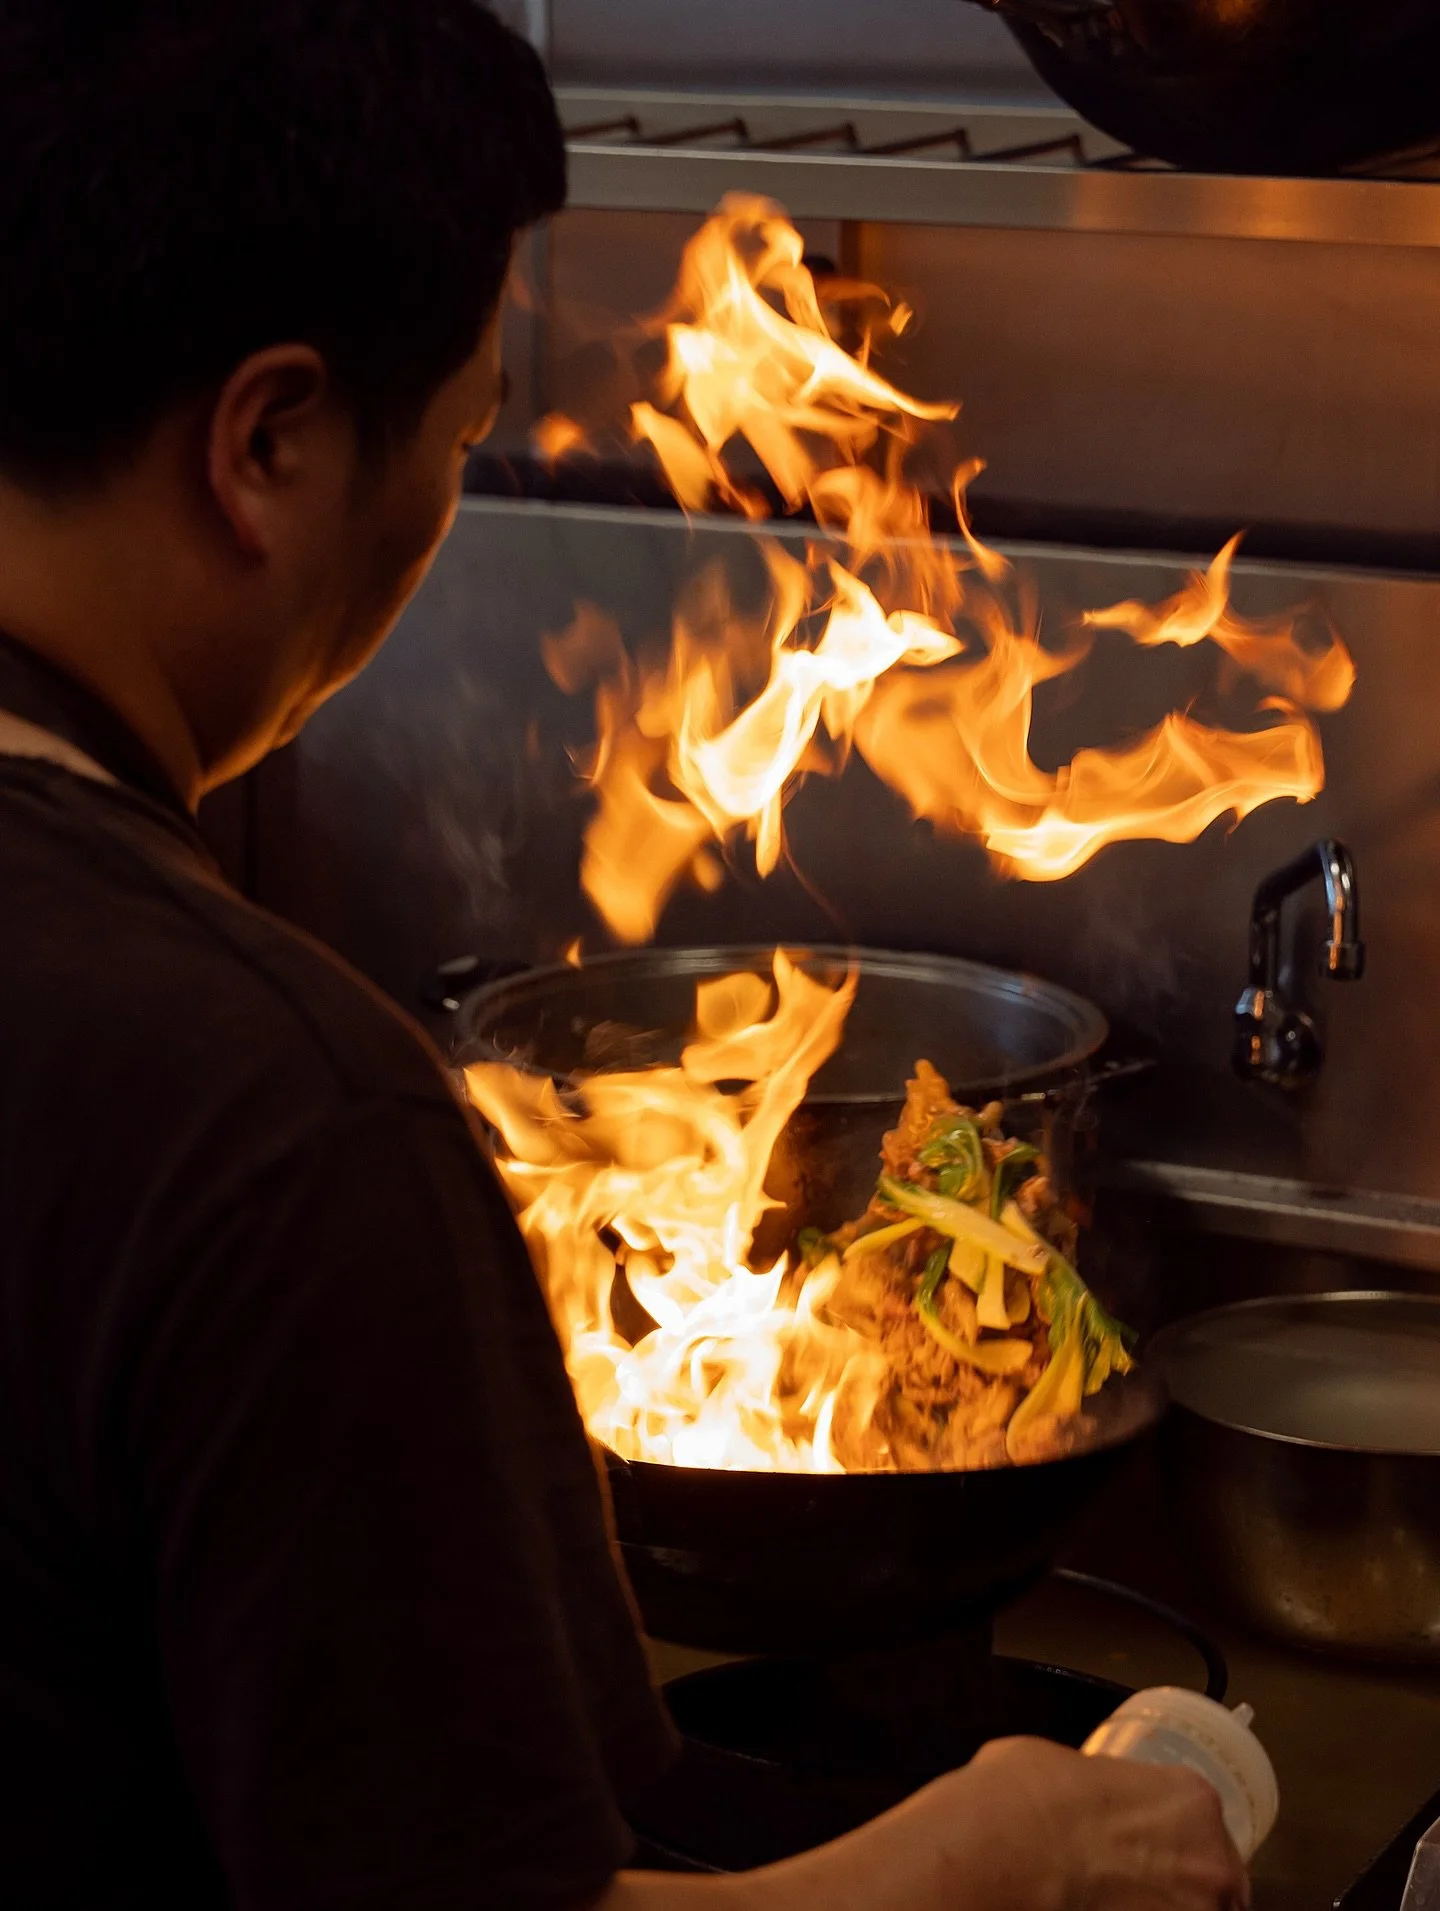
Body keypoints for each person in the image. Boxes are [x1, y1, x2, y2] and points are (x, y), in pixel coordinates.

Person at [0, 4, 1251, 1909]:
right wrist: (987, 1866)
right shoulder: (271, 1125)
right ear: (269, 442)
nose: (441, 514)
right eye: (460, 436)